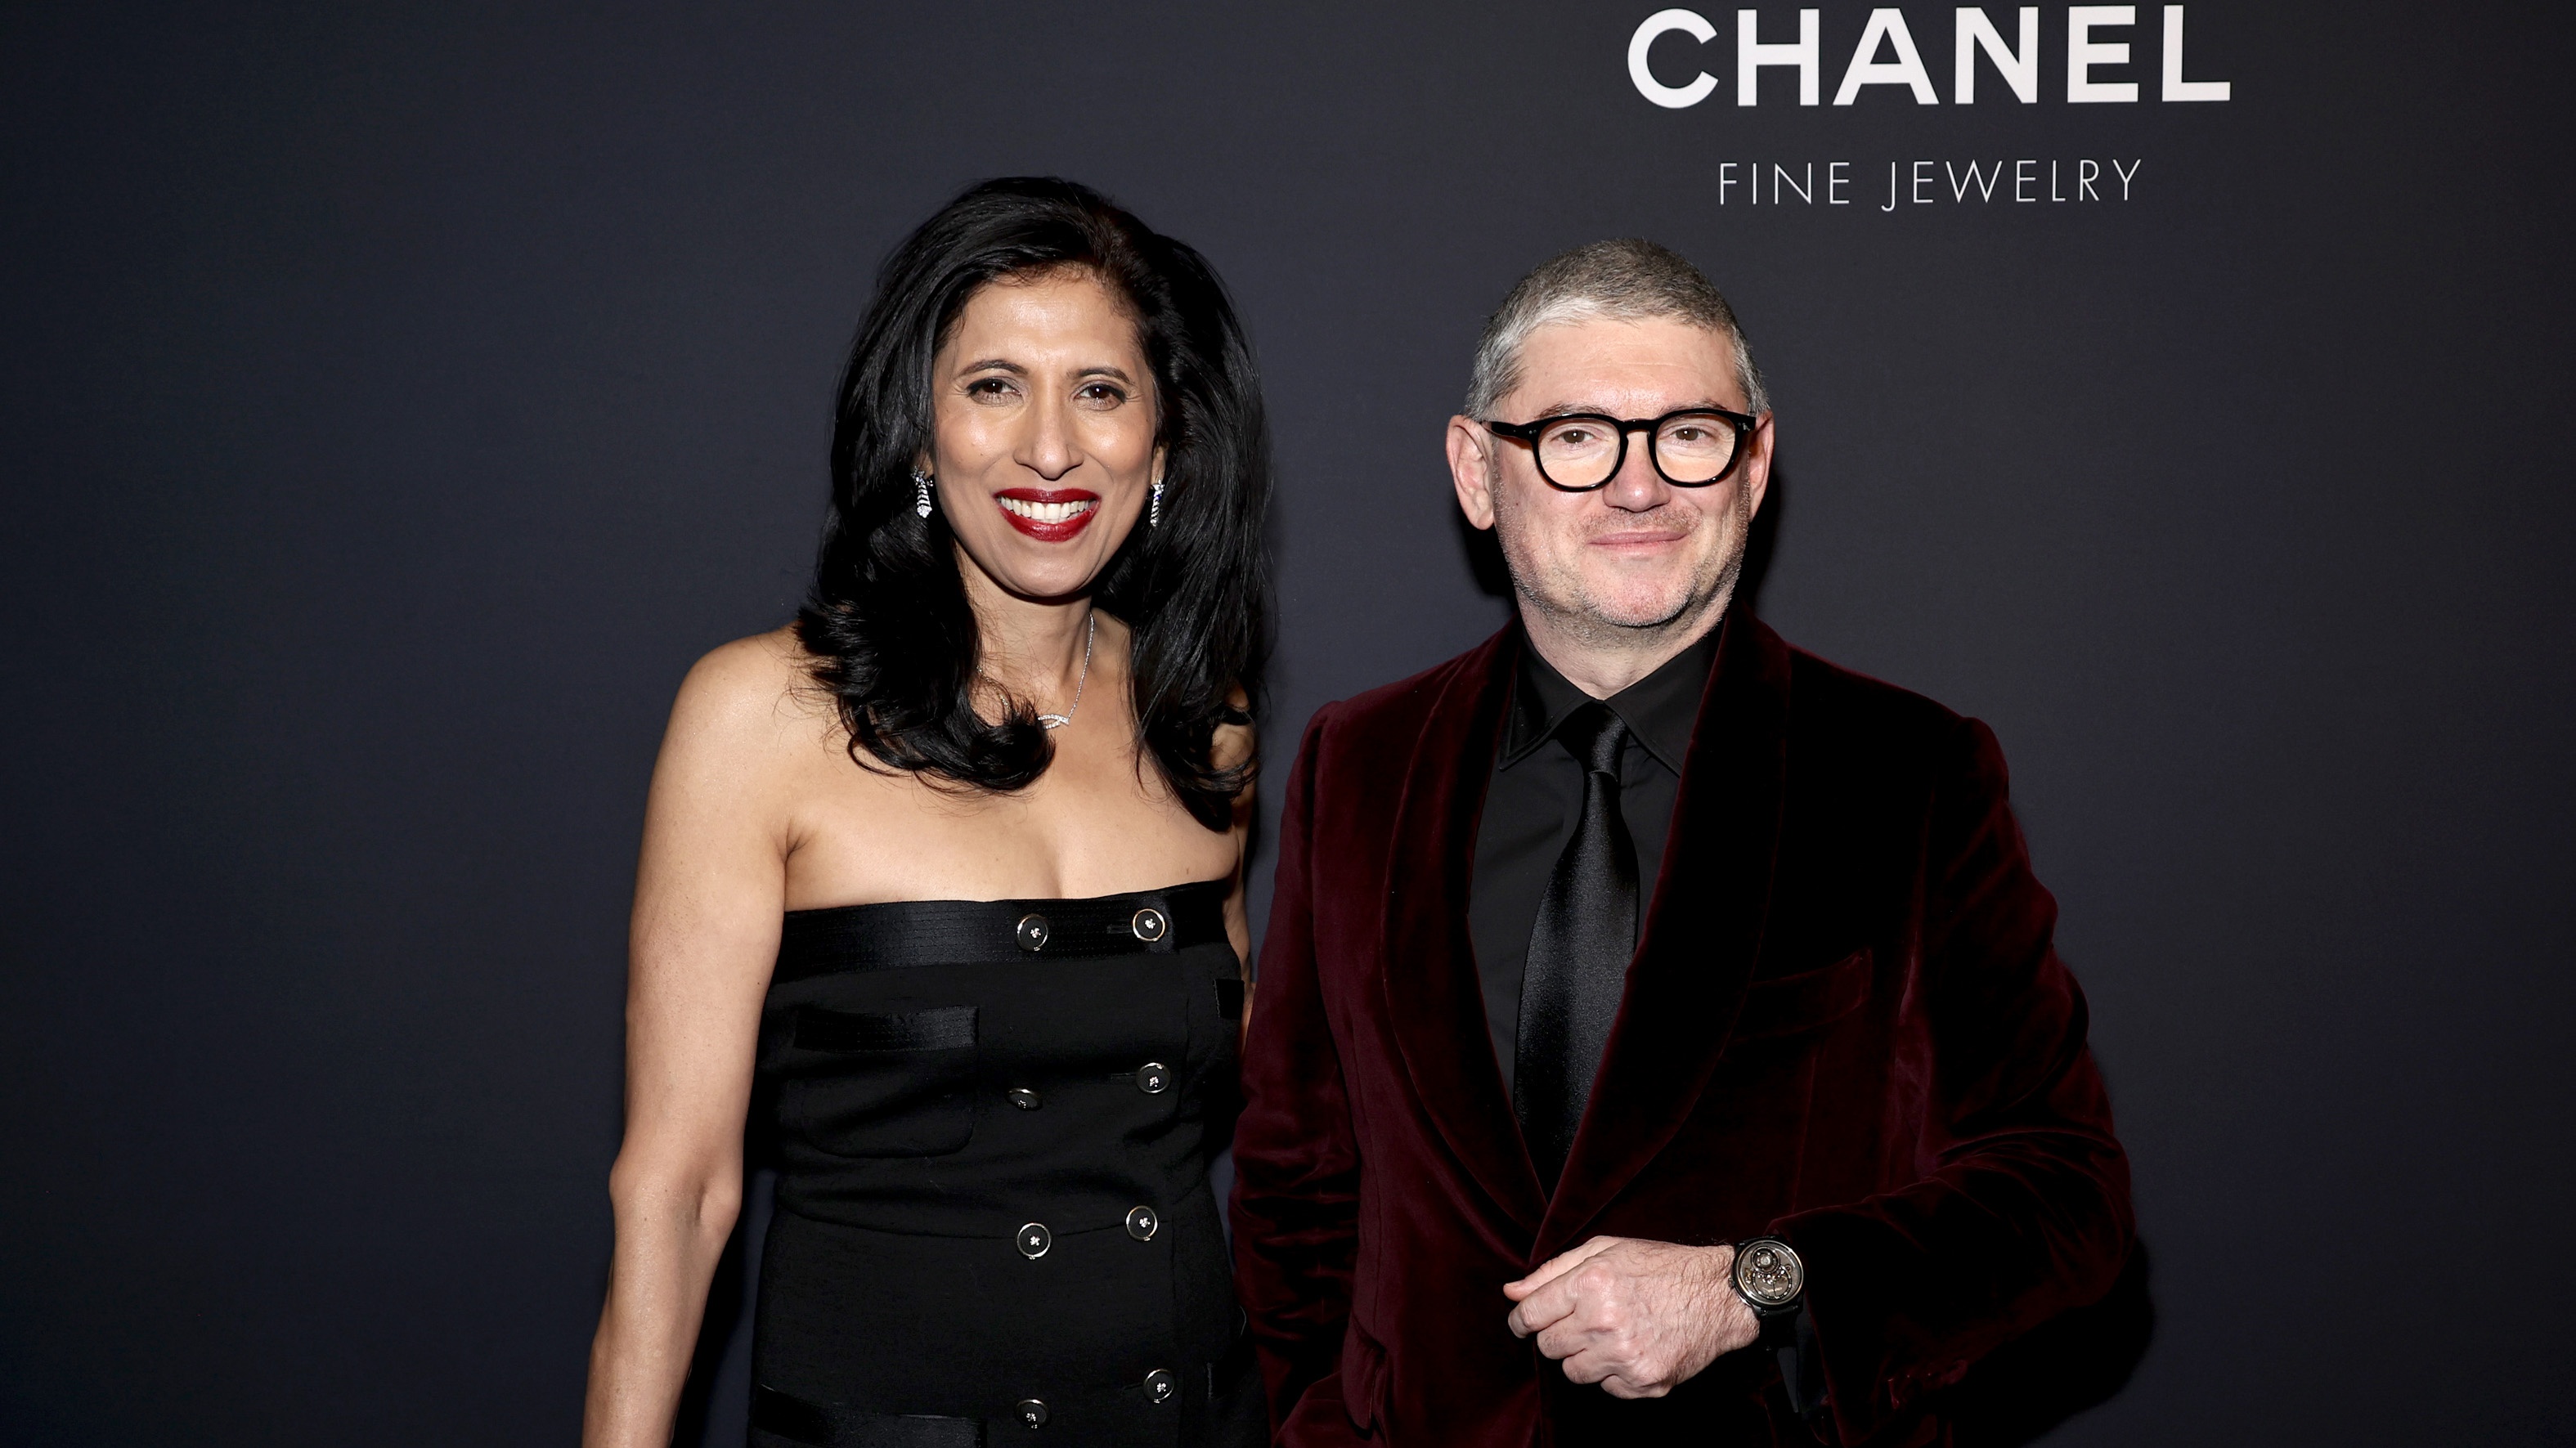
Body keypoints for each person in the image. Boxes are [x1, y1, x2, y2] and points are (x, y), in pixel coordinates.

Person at [1230, 240, 2134, 1446]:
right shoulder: (1361, 762)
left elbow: (2064, 1196)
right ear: (1474, 470)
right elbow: (1299, 1180)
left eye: (1688, 433)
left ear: (1754, 464)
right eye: (1575, 435)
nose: (1638, 486)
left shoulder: (1905, 774)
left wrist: (1754, 1286)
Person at [583, 177, 1271, 1448]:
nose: (1050, 447)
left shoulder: (1206, 721)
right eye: (993, 385)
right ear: (917, 431)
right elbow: (675, 1193)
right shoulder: (761, 715)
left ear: (1164, 446)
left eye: (1101, 391)